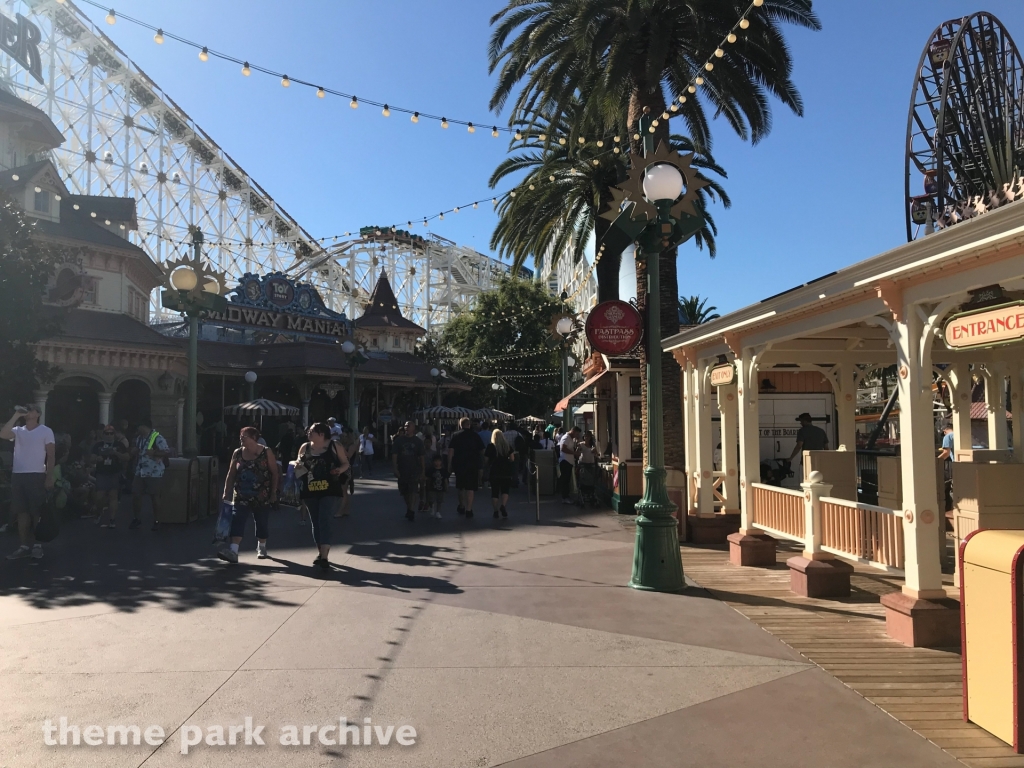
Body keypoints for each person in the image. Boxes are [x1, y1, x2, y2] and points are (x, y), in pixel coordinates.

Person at [218, 427, 279, 563]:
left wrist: (273, 493)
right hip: (241, 495)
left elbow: (274, 473)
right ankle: (233, 551)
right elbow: (231, 473)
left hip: (262, 495)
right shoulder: (238, 453)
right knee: (237, 520)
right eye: (240, 436)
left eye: (244, 436)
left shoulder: (266, 452)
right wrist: (226, 491)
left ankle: (261, 546)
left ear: (254, 438)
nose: (241, 438)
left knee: (261, 522)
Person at [2, 405, 55, 560]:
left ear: (38, 413)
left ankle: (38, 545)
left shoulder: (45, 431)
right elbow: (3, 434)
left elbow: (51, 455)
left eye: (31, 409)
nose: (28, 411)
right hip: (18, 474)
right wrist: (16, 415)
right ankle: (24, 546)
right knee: (22, 512)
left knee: (36, 511)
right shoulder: (18, 430)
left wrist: (49, 476)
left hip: (37, 474)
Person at [295, 422, 349, 569]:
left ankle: (324, 556)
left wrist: (339, 470)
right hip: (310, 489)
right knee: (315, 521)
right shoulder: (305, 447)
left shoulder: (334, 445)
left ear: (321, 434)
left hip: (330, 489)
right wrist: (298, 465)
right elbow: (299, 462)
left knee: (324, 518)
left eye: (312, 431)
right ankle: (320, 552)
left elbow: (345, 463)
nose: (308, 433)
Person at [130, 419, 169, 531]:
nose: (137, 429)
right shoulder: (139, 438)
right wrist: (134, 451)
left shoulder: (157, 437)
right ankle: (137, 518)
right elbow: (138, 450)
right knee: (136, 493)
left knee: (154, 496)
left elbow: (166, 451)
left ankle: (157, 520)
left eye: (138, 427)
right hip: (140, 470)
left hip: (154, 471)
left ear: (144, 426)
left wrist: (155, 453)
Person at [90, 425, 129, 528]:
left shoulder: (119, 445)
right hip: (101, 473)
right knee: (99, 497)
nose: (109, 435)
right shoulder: (98, 445)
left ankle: (112, 519)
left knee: (113, 495)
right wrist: (97, 459)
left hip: (114, 473)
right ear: (103, 434)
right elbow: (91, 458)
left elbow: (127, 457)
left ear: (114, 434)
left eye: (111, 433)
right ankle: (99, 512)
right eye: (107, 433)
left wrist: (116, 453)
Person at [447, 417, 485, 519]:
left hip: (459, 464)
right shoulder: (475, 435)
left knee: (461, 487)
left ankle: (462, 505)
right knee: (470, 488)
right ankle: (469, 509)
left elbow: (451, 450)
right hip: (472, 464)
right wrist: (481, 462)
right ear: (469, 424)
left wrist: (449, 464)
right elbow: (482, 450)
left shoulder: (456, 435)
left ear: (460, 425)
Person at [393, 421, 425, 521]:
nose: (406, 427)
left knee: (413, 490)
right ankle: (409, 507)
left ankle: (411, 510)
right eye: (405, 426)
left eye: (409, 426)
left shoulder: (418, 442)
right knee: (405, 491)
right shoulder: (399, 441)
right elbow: (394, 455)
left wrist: (423, 470)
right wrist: (395, 468)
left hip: (414, 469)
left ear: (413, 428)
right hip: (402, 469)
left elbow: (422, 457)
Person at [484, 429, 516, 519]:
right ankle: (503, 505)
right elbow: (512, 458)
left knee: (495, 492)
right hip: (506, 471)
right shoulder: (507, 445)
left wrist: (488, 465)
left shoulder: (490, 446)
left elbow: (486, 460)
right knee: (505, 490)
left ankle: (495, 511)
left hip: (494, 471)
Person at [337, 425, 358, 517]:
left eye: (345, 436)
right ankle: (346, 509)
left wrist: (341, 448)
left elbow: (349, 455)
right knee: (343, 490)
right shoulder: (342, 444)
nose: (343, 438)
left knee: (343, 490)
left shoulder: (352, 445)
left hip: (347, 468)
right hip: (340, 467)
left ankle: (341, 511)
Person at [557, 426, 581, 505]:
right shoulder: (566, 437)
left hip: (569, 461)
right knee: (565, 479)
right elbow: (563, 448)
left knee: (567, 480)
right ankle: (564, 497)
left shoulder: (571, 438)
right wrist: (574, 453)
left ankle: (566, 495)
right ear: (573, 431)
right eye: (576, 434)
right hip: (565, 461)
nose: (577, 435)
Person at [577, 433, 598, 506]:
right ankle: (583, 493)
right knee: (584, 478)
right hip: (583, 463)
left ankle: (591, 494)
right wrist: (579, 449)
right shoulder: (581, 444)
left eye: (588, 436)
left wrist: (595, 451)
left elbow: (596, 455)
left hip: (591, 463)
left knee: (591, 479)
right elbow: (578, 453)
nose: (587, 437)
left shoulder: (593, 445)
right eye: (585, 436)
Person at [425, 455, 447, 519]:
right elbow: (428, 478)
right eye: (436, 461)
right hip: (432, 487)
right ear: (433, 462)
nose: (437, 463)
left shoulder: (443, 470)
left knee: (439, 500)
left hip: (441, 487)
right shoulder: (431, 470)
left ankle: (438, 511)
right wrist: (427, 485)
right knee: (431, 499)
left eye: (438, 461)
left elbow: (445, 479)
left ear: (441, 462)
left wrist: (446, 486)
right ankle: (432, 507)